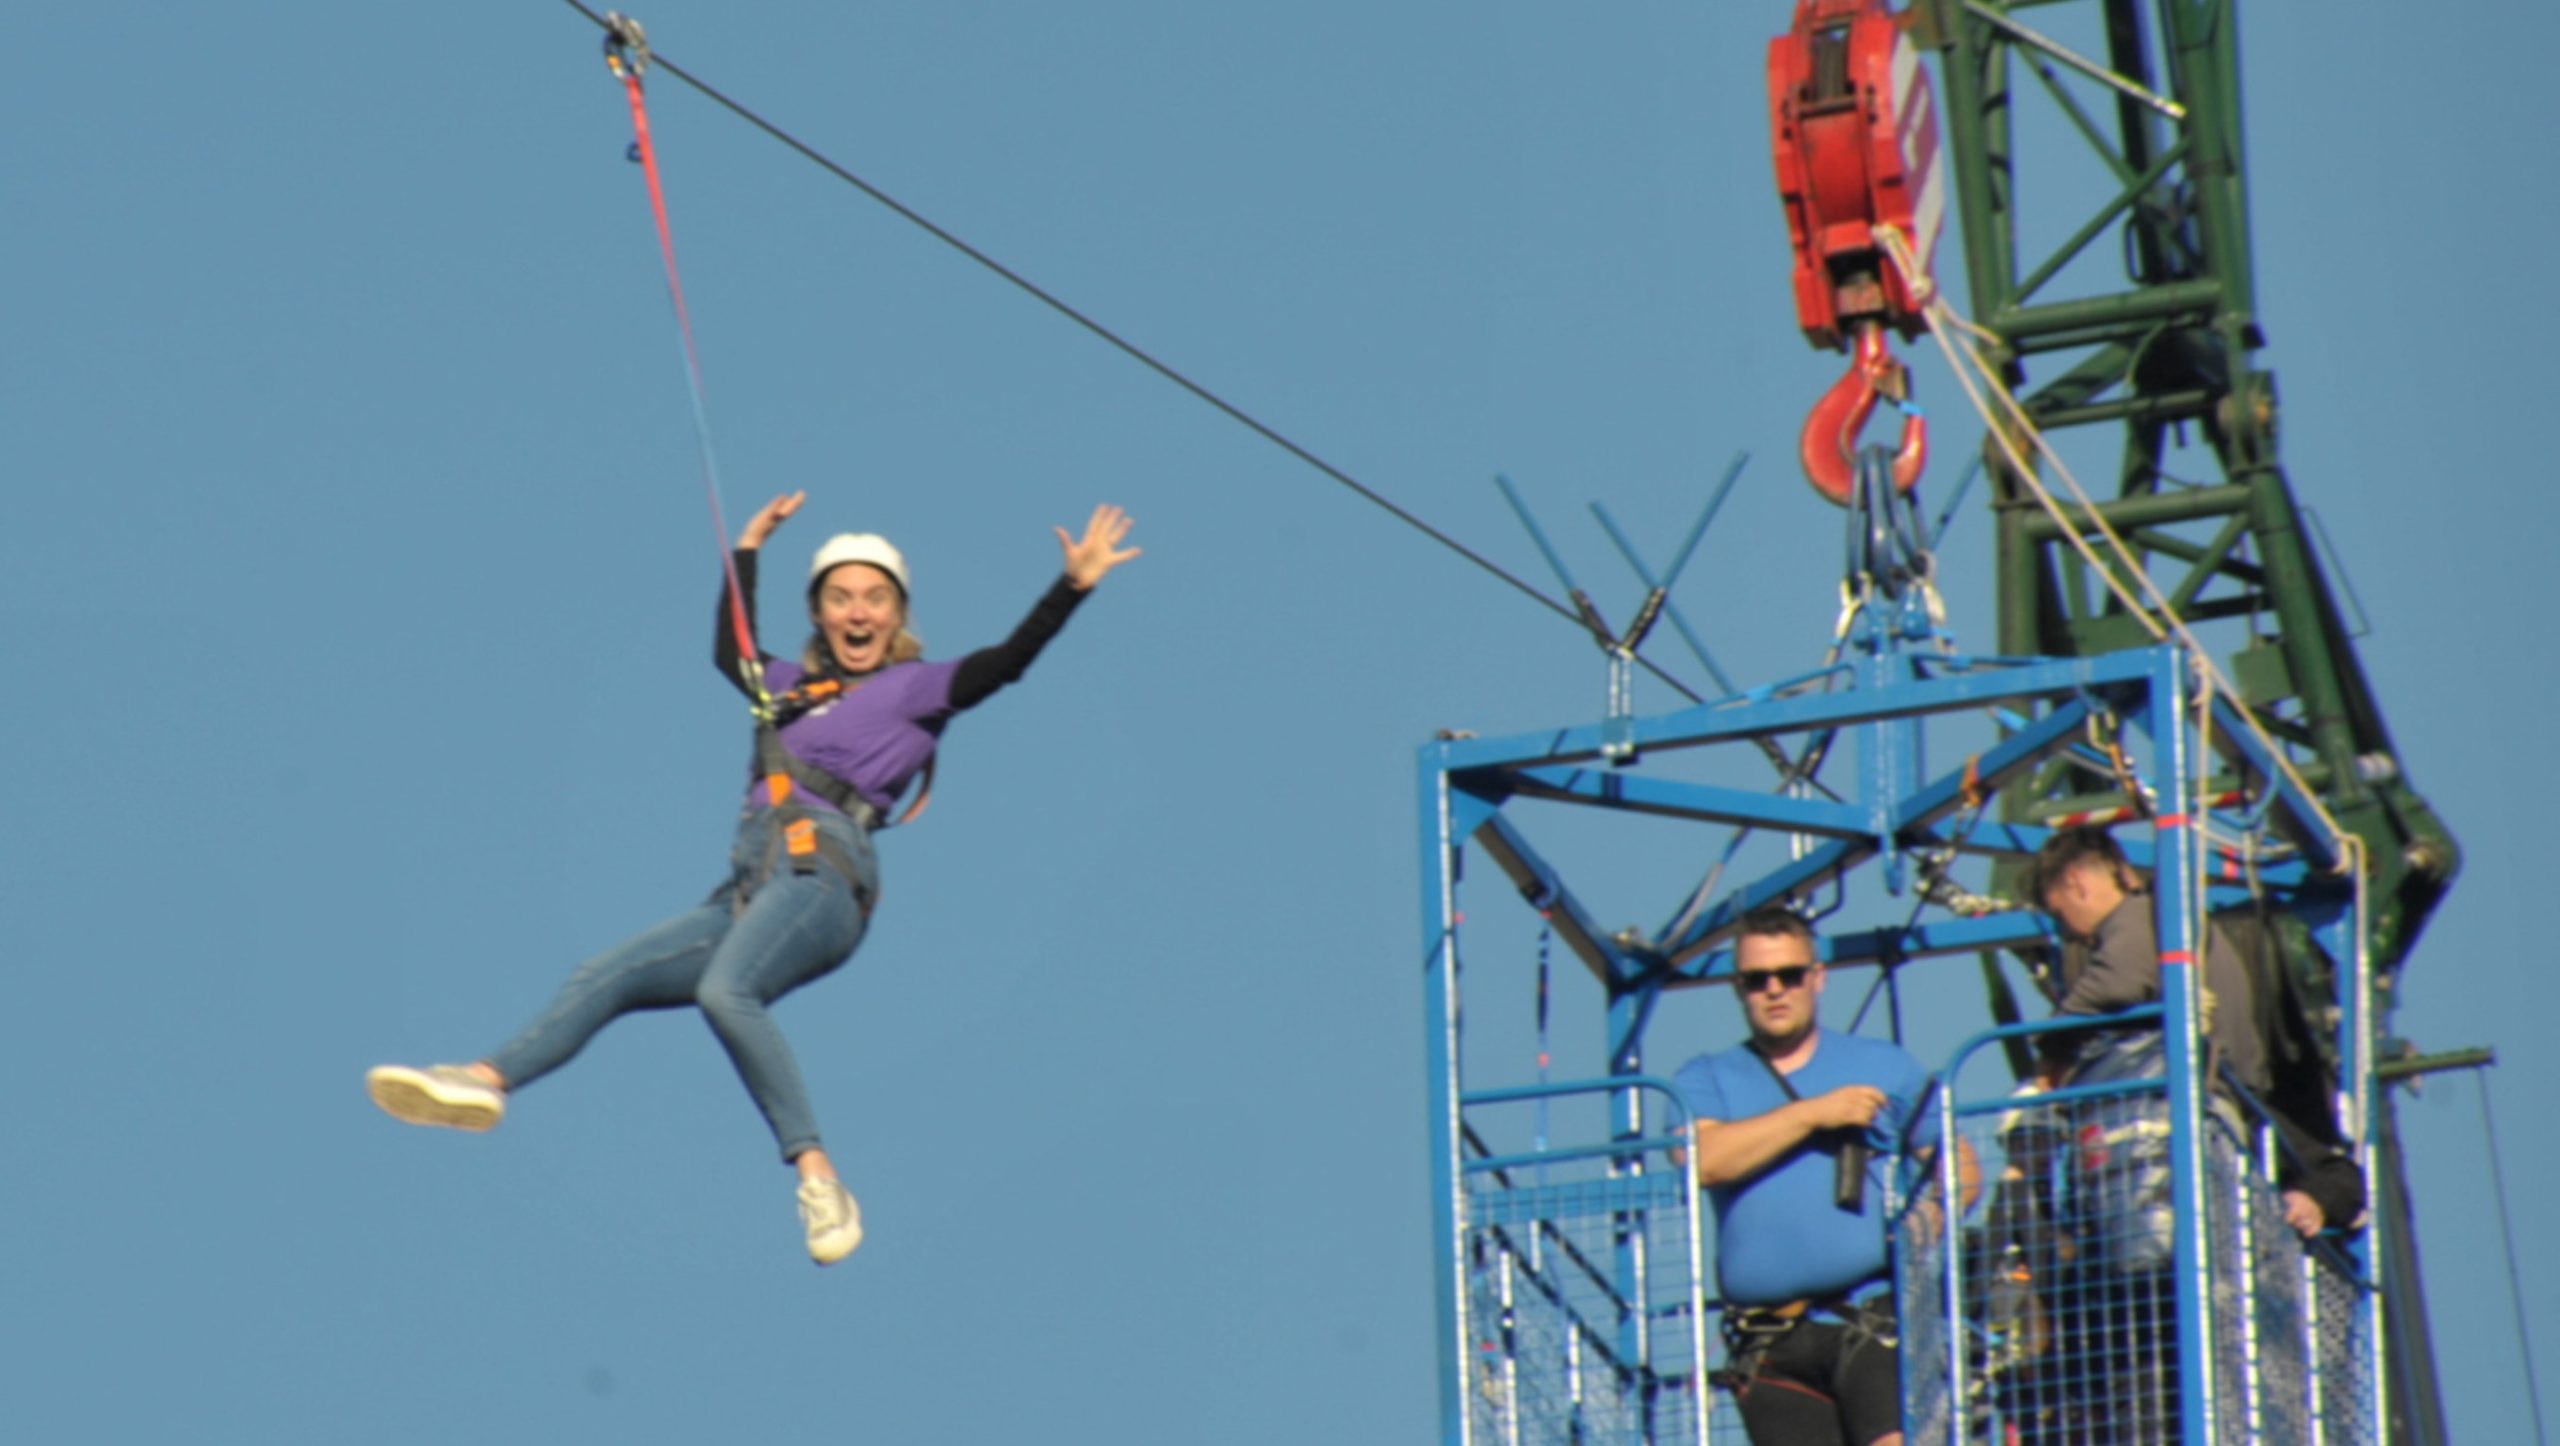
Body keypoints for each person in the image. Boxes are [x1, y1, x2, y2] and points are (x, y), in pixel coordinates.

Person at [365, 492, 1141, 1265]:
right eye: (840, 599)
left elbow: (1005, 665)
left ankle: (819, 1176)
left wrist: (1071, 587)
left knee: (723, 991)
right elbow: (728, 652)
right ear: (822, 616)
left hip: (823, 879)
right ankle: (485, 1080)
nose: (858, 612)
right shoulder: (786, 688)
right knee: (607, 973)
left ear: (897, 616)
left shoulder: (913, 690)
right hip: (747, 888)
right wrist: (747, 548)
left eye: (874, 598)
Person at [1676, 906, 1975, 1446]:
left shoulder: (1885, 1065)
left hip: (1870, 1317)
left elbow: (1957, 1163)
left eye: (1789, 975)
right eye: (1756, 980)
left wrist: (1929, 1219)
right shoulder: (1706, 1077)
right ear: (1737, 988)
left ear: (1817, 978)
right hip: (1770, 1342)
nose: (1774, 990)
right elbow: (1703, 1160)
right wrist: (1814, 1113)